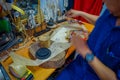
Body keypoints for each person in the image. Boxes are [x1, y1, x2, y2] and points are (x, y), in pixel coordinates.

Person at [55, 0, 120, 80]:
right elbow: (101, 21)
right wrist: (80, 13)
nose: (103, 1)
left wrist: (86, 53)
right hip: (78, 67)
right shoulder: (112, 11)